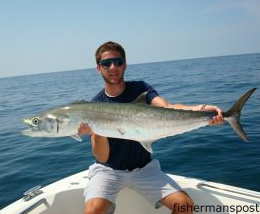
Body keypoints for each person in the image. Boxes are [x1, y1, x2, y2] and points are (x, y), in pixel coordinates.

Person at [79, 41, 224, 214]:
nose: (113, 67)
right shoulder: (95, 105)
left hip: (144, 169)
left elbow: (167, 108)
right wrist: (97, 129)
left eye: (118, 62)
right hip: (108, 170)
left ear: (124, 65)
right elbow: (102, 156)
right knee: (92, 212)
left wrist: (202, 109)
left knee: (185, 206)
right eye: (106, 63)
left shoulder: (141, 88)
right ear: (98, 68)